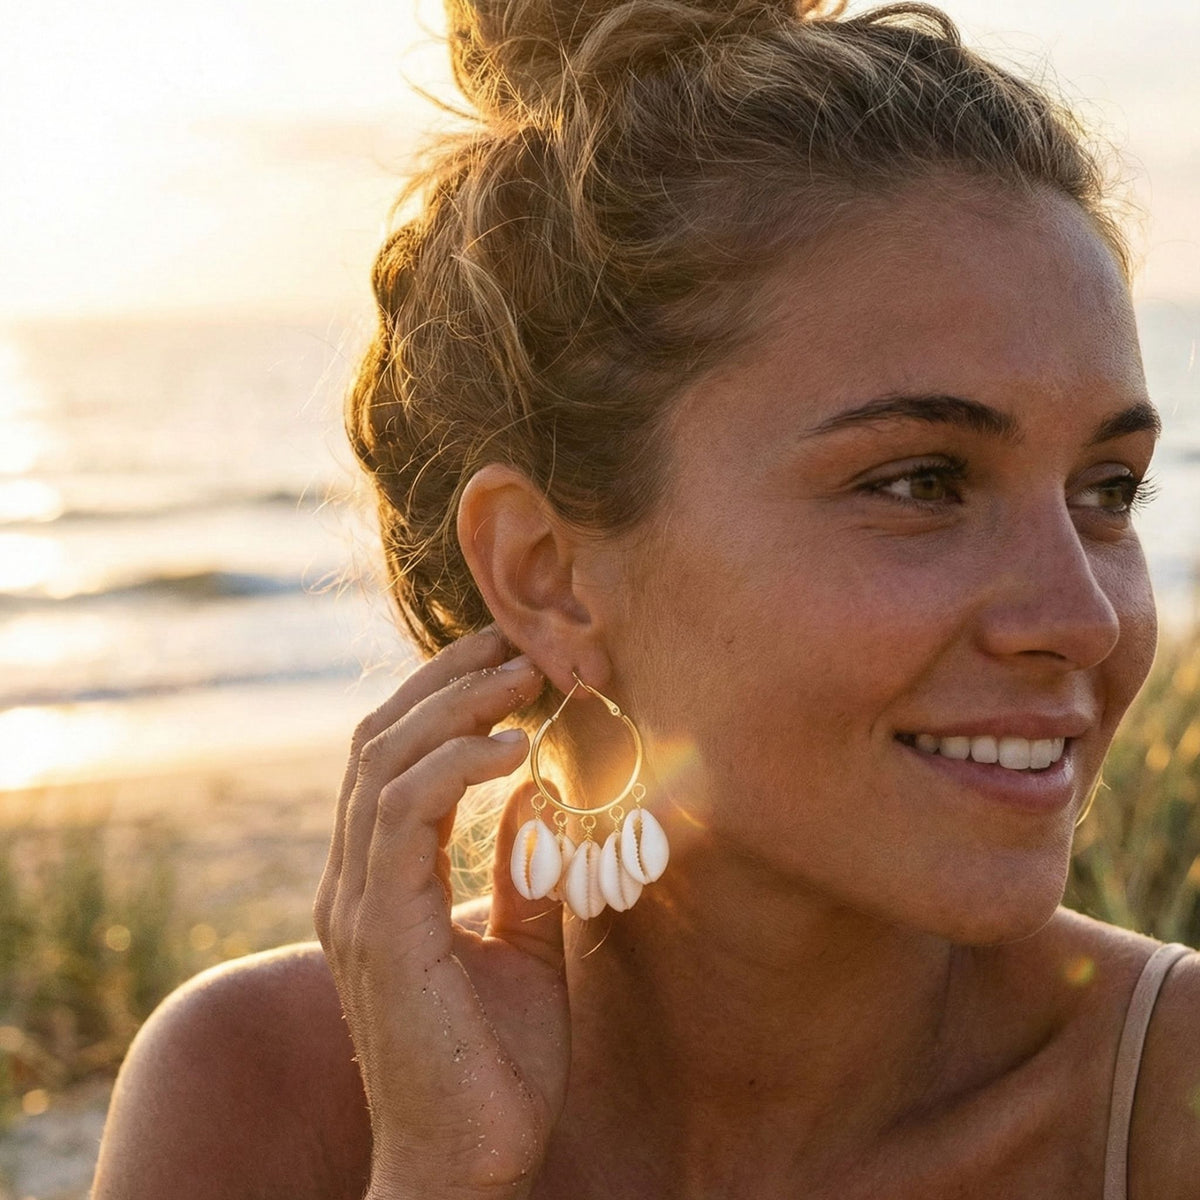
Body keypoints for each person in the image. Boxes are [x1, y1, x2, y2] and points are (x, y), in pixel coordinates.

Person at [92, 1, 1200, 1196]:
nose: (1083, 619)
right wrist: (440, 1176)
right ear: (547, 576)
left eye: (1108, 490)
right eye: (923, 481)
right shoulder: (265, 1093)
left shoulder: (1169, 1099)